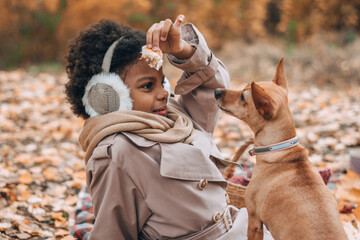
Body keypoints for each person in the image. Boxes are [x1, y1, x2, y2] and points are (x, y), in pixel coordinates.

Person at [65, 15, 274, 239]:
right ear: (108, 97)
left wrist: (183, 51)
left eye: (162, 81)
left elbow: (214, 88)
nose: (164, 92)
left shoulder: (177, 117)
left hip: (244, 229)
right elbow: (114, 231)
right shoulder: (116, 153)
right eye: (148, 86)